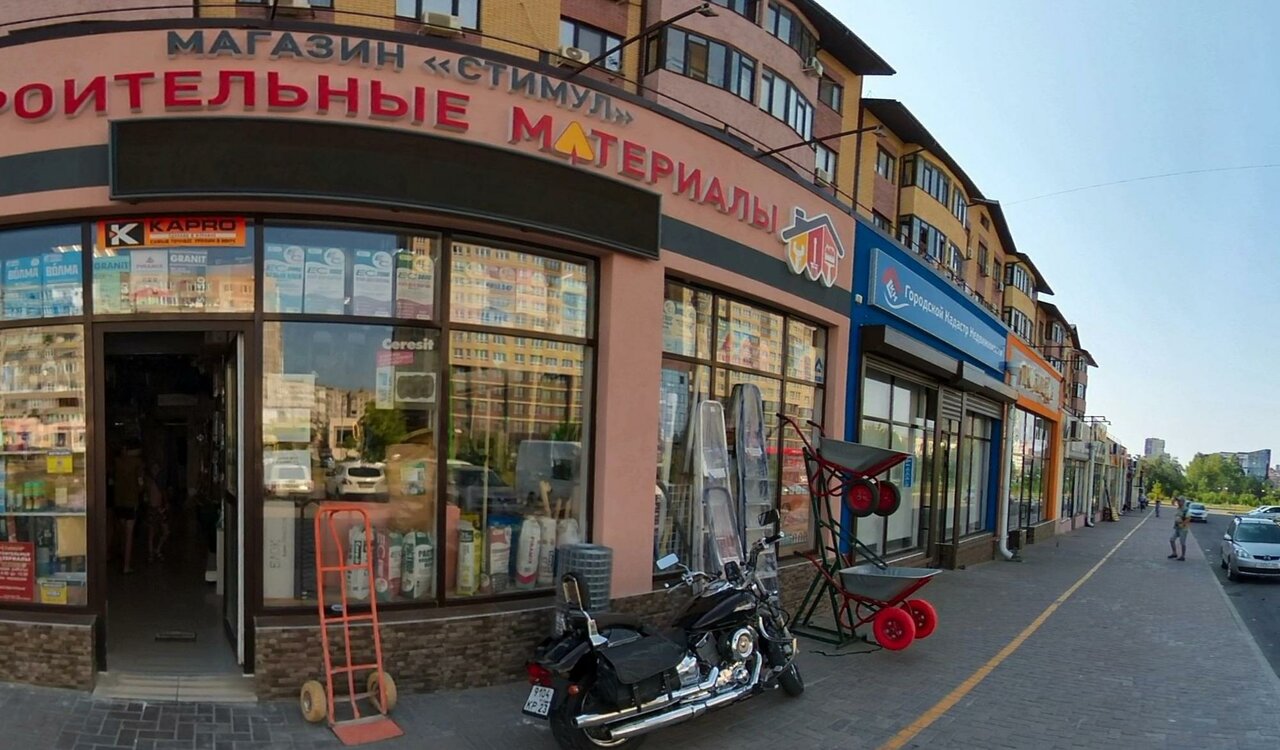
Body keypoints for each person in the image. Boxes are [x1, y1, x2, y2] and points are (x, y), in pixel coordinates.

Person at [113, 441, 144, 574]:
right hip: (131, 501)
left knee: (121, 532)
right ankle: (126, 565)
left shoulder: (117, 462)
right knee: (129, 534)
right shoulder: (138, 463)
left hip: (118, 500)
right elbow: (140, 483)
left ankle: (121, 557)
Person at [145, 462, 171, 563]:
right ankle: (151, 552)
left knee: (166, 531)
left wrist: (165, 504)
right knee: (151, 532)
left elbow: (163, 494)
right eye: (154, 468)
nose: (155, 470)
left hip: (160, 509)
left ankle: (157, 549)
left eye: (157, 468)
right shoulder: (149, 481)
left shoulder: (161, 482)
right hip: (152, 509)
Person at [1168, 497, 1190, 561]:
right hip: (1177, 527)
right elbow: (1172, 503)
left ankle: (1183, 556)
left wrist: (1182, 524)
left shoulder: (1185, 509)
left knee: (1182, 542)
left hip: (1183, 528)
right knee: (1172, 540)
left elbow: (1188, 518)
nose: (1178, 502)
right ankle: (1174, 553)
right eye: (1178, 501)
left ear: (1183, 502)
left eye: (1179, 501)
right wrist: (1174, 499)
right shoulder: (1178, 508)